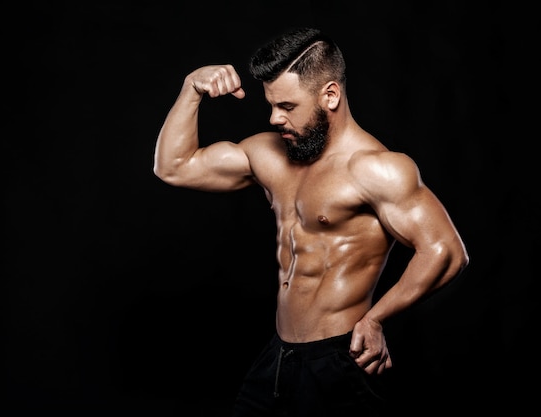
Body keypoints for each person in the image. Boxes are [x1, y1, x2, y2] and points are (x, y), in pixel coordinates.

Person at [153, 26, 469, 416]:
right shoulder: (268, 155)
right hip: (278, 357)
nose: (274, 118)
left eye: (287, 106)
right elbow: (174, 167)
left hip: (338, 361)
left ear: (330, 95)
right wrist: (191, 89)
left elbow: (446, 251)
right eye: (271, 105)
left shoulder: (376, 169)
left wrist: (375, 319)